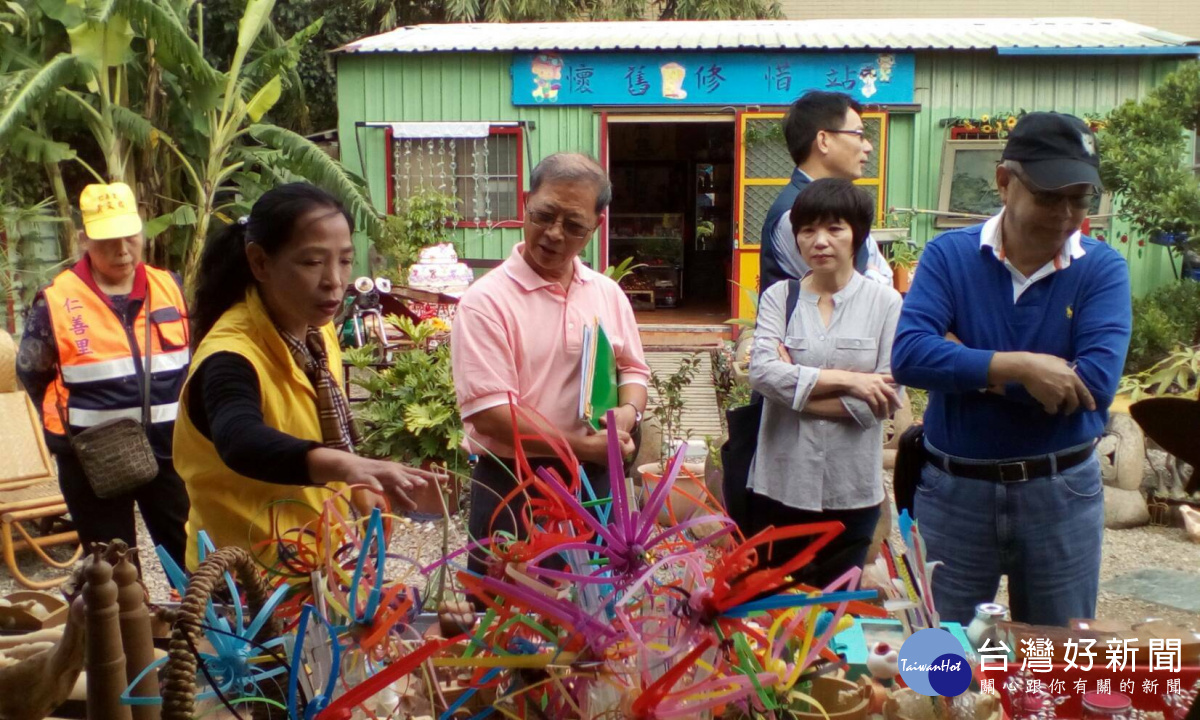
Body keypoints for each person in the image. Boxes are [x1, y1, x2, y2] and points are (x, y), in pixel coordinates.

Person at [891, 112, 1133, 627]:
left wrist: (964, 359)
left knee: (1056, 661)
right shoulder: (948, 256)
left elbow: (1092, 385)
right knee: (941, 659)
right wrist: (1022, 366)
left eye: (1081, 198)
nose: (1066, 214)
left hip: (1061, 492)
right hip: (953, 492)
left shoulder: (1102, 269)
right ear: (1005, 182)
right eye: (1050, 196)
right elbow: (910, 355)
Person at [174, 183, 432, 571]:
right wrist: (345, 467)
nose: (334, 280)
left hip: (317, 565)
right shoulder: (229, 356)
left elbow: (320, 430)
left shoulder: (316, 329)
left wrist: (354, 485)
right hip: (247, 587)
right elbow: (240, 439)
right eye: (312, 262)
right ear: (260, 262)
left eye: (345, 261)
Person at [451, 152, 651, 578]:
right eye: (544, 215)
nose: (554, 234)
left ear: (596, 227)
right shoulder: (486, 301)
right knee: (507, 622)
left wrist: (628, 415)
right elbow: (491, 416)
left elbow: (634, 370)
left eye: (574, 225)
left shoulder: (606, 293)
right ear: (526, 202)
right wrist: (579, 447)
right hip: (514, 485)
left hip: (595, 483)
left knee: (598, 617)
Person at [17, 182, 190, 566]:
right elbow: (32, 372)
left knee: (189, 559)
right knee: (113, 575)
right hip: (93, 456)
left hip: (169, 451)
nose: (122, 249)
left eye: (130, 236)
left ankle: (196, 625)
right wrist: (66, 429)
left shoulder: (170, 287)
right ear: (84, 240)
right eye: (108, 239)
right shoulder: (57, 301)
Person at [747, 178, 903, 587]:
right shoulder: (780, 298)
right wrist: (850, 380)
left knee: (837, 612)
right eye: (807, 230)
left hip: (851, 489)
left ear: (857, 236)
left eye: (834, 228)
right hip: (781, 485)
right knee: (776, 609)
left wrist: (793, 390)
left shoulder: (886, 303)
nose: (819, 241)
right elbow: (762, 372)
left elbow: (884, 399)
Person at [760, 90, 894, 294]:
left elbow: (884, 282)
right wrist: (874, 281)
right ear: (823, 141)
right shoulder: (794, 214)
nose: (868, 147)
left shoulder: (846, 205)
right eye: (859, 134)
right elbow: (850, 294)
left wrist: (874, 281)